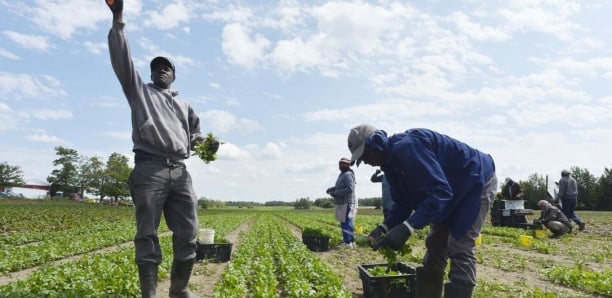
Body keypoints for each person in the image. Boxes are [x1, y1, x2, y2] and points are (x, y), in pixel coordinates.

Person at [106, 1, 218, 297]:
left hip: (180, 172)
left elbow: (196, 136)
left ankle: (179, 291)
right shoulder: (140, 92)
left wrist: (209, 144)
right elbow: (122, 60)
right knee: (147, 234)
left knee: (188, 233)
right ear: (150, 73)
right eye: (156, 68)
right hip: (150, 169)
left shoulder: (184, 105)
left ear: (174, 75)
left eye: (166, 68)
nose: (161, 71)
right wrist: (118, 19)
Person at [347, 124, 496, 298]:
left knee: (459, 244)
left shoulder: (408, 147)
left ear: (376, 143)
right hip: (450, 192)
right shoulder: (390, 167)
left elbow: (440, 191)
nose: (365, 161)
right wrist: (384, 227)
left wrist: (407, 227)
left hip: (474, 182)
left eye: (365, 155)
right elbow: (402, 205)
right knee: (435, 243)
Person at [327, 157, 358, 249]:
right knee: (348, 223)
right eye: (340, 164)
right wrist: (332, 189)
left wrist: (335, 194)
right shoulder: (342, 174)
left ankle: (348, 242)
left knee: (346, 223)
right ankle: (351, 241)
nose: (341, 165)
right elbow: (340, 187)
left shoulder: (348, 175)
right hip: (343, 202)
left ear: (348, 165)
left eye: (344, 164)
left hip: (347, 202)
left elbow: (349, 189)